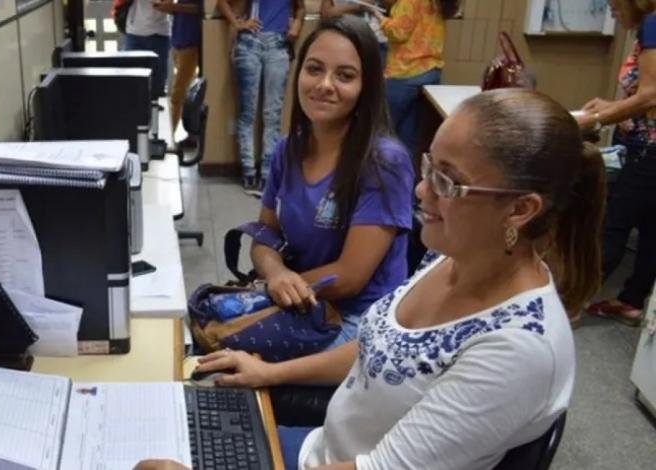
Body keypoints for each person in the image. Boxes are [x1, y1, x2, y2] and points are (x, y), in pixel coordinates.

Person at [140, 88, 604, 470]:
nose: (421, 190)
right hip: (322, 452)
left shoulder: (518, 350)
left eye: (448, 182)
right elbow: (380, 350)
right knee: (166, 426)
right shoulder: (455, 255)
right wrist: (269, 372)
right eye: (428, 166)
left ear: (521, 209)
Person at [250, 15, 414, 352]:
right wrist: (274, 273)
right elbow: (265, 234)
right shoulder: (288, 148)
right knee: (208, 333)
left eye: (345, 76)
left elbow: (350, 277)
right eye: (314, 69)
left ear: (366, 86)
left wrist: (274, 288)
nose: (324, 84)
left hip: (358, 322)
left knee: (231, 359)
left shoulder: (385, 162)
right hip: (301, 301)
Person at [578, 0, 656, 326]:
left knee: (611, 223)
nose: (609, 8)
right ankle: (631, 301)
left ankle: (571, 301)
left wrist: (595, 117)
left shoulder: (653, 23)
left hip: (650, 149)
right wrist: (616, 107)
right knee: (653, 228)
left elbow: (652, 95)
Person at [217, 0, 306, 194]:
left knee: (272, 113)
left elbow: (301, 7)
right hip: (249, 42)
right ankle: (249, 171)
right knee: (247, 112)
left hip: (278, 43)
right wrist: (237, 22)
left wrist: (298, 23)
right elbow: (222, 2)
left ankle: (268, 174)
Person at [366, 0, 458, 156]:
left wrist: (379, 17)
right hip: (430, 70)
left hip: (405, 72)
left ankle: (380, 173)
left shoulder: (408, 1)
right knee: (410, 134)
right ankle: (407, 175)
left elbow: (398, 33)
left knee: (383, 130)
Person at [154, 0, 202, 145]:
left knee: (177, 95)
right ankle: (192, 135)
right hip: (178, 42)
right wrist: (168, 8)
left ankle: (168, 139)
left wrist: (174, 7)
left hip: (190, 43)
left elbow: (200, 9)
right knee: (186, 93)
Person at [124, 0, 172, 96]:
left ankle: (154, 108)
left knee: (157, 84)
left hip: (158, 33)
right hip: (134, 32)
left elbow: (167, 5)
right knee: (132, 80)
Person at [321, 0, 389, 68]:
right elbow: (326, 14)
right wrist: (357, 6)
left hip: (377, 40)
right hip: (346, 41)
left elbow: (392, 8)